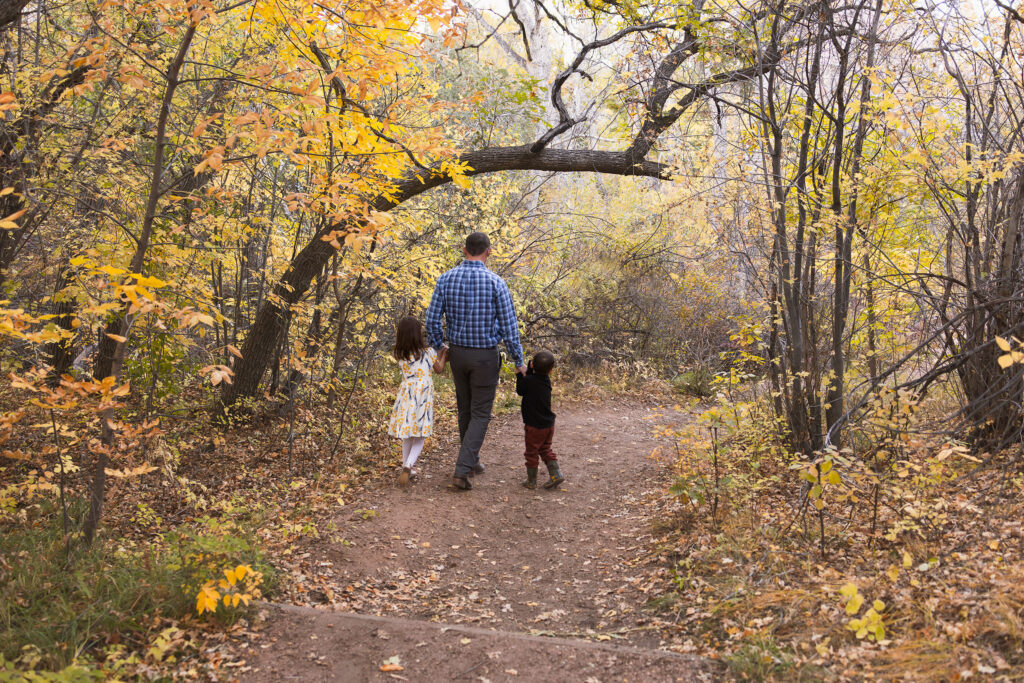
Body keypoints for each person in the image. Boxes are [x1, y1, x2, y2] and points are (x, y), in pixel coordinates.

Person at [426, 231, 526, 491]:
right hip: (484, 357)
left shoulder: (445, 279)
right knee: (480, 413)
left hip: (458, 354)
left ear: (464, 249)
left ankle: (471, 461)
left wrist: (441, 346)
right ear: (488, 251)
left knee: (465, 409)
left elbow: (431, 321)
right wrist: (519, 359)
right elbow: (509, 326)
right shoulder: (496, 283)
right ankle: (461, 471)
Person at [387, 315, 448, 487]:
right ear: (417, 334)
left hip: (406, 395)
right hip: (422, 396)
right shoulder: (427, 353)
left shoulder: (400, 354)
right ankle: (408, 466)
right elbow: (439, 369)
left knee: (408, 434)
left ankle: (406, 468)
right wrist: (442, 353)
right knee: (420, 435)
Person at [515, 350, 564, 489]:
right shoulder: (546, 381)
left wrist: (519, 374)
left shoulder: (529, 381)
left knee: (531, 453)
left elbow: (520, 390)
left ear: (532, 366)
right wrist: (530, 370)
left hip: (534, 426)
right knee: (545, 449)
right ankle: (556, 474)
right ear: (551, 370)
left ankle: (531, 481)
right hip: (548, 425)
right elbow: (533, 379)